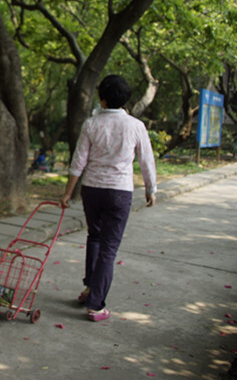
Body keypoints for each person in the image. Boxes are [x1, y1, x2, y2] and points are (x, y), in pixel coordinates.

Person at [60, 74, 157, 323]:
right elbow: (146, 160)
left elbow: (78, 161)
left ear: (101, 99)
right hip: (119, 193)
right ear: (126, 100)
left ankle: (90, 288)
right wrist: (151, 189)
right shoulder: (136, 126)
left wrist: (68, 193)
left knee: (94, 236)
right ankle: (96, 305)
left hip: (91, 190)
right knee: (109, 249)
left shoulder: (91, 124)